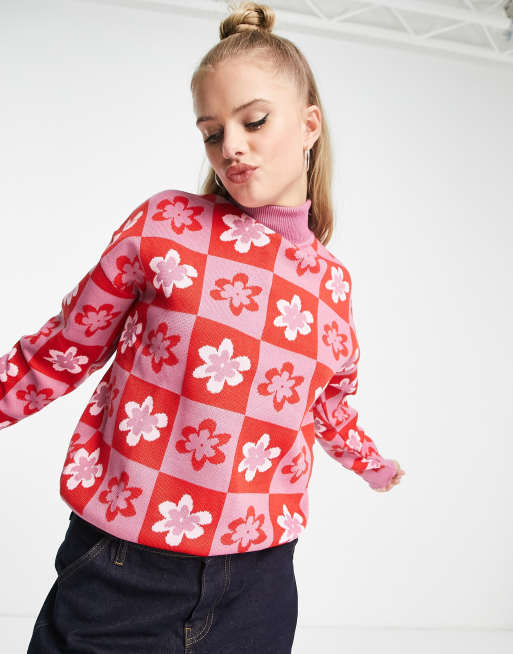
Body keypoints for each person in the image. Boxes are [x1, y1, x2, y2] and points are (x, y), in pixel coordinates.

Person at [0, 2, 405, 652]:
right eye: (211, 133)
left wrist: (371, 463)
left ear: (309, 125)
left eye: (253, 121)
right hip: (124, 568)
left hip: (260, 582)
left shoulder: (331, 282)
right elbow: (66, 347)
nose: (231, 147)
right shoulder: (166, 225)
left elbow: (326, 402)